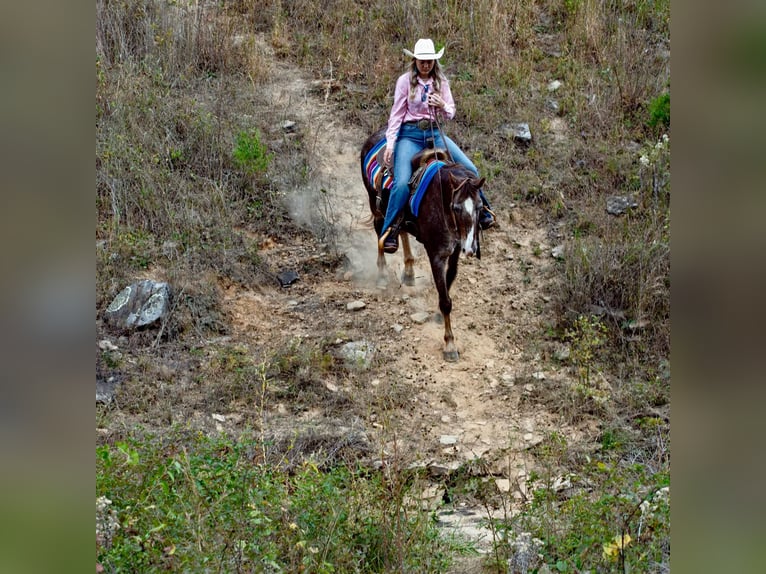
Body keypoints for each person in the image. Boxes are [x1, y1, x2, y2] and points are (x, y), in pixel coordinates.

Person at [380, 38, 495, 253]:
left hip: (435, 133)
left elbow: (450, 112)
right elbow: (396, 115)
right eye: (422, 61)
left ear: (434, 61)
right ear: (415, 60)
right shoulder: (405, 81)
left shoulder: (441, 81)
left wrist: (441, 104)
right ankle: (389, 230)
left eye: (429, 61)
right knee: (402, 181)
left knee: (471, 169)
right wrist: (390, 144)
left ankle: (485, 211)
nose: (426, 65)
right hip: (410, 135)